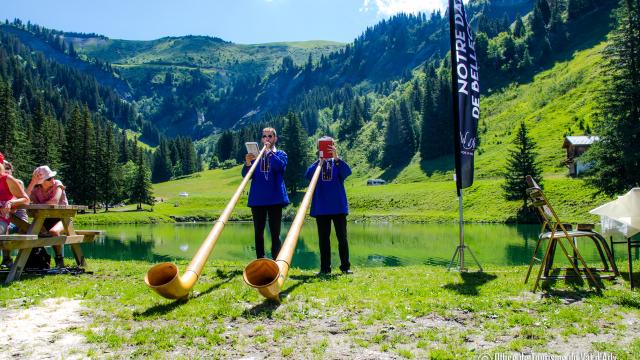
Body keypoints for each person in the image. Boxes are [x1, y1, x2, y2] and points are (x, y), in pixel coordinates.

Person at [305, 137, 352, 275]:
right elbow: (308, 175)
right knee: (323, 239)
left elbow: (346, 173)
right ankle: (325, 268)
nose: (325, 149)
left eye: (328, 146)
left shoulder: (337, 163)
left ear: (334, 146)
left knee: (342, 238)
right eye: (322, 146)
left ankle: (345, 267)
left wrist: (336, 158)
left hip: (338, 207)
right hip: (322, 207)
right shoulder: (316, 165)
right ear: (318, 149)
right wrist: (319, 161)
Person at [242, 127, 289, 259]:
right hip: (257, 199)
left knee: (275, 233)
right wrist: (247, 163)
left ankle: (277, 261)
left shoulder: (280, 154)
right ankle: (260, 260)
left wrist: (269, 153)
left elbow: (280, 168)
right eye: (264, 136)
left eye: (269, 136)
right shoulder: (256, 156)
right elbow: (246, 176)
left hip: (275, 199)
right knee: (258, 232)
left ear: (275, 138)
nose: (266, 139)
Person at [26, 165, 69, 268]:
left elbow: (54, 201)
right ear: (41, 182)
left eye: (52, 177)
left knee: (54, 232)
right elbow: (25, 199)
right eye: (49, 178)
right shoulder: (36, 189)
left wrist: (36, 205)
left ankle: (59, 260)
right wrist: (33, 182)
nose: (52, 179)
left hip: (63, 218)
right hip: (44, 219)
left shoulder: (58, 184)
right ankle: (39, 261)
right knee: (28, 231)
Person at [0, 153, 31, 268]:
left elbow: (26, 199)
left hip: (3, 219)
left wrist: (11, 202)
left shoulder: (7, 179)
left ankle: (8, 260)